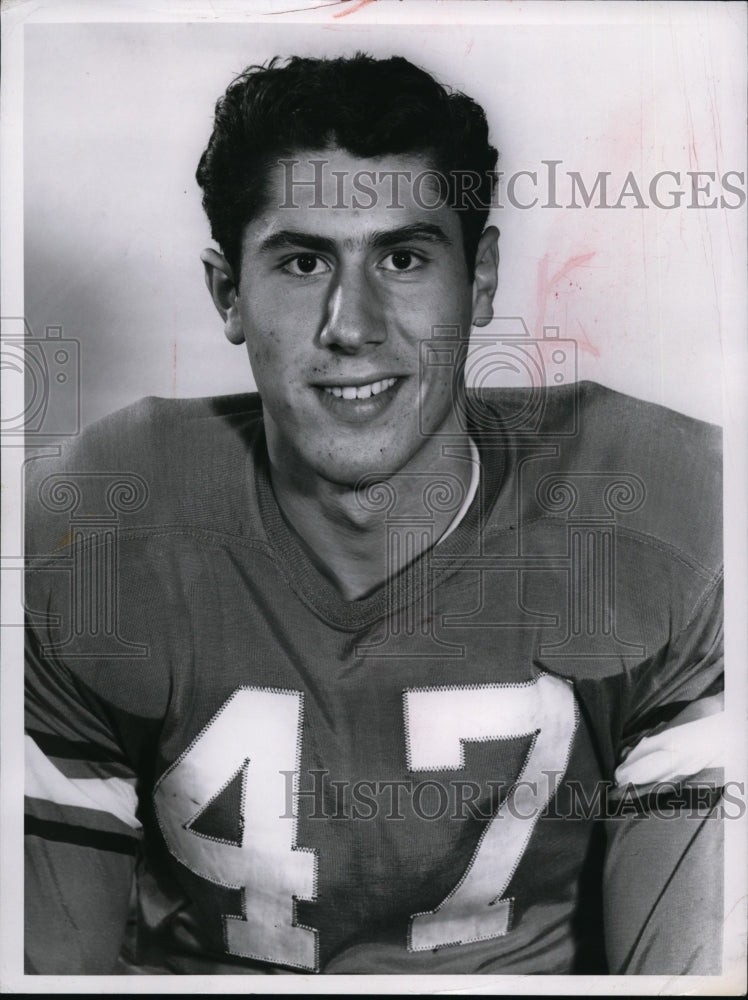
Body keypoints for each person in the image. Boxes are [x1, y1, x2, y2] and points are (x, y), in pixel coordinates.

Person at [24, 53, 723, 976]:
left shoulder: (661, 509)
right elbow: (42, 968)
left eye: (403, 257)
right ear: (227, 293)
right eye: (304, 260)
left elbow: (696, 974)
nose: (352, 324)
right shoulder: (99, 523)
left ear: (479, 281)